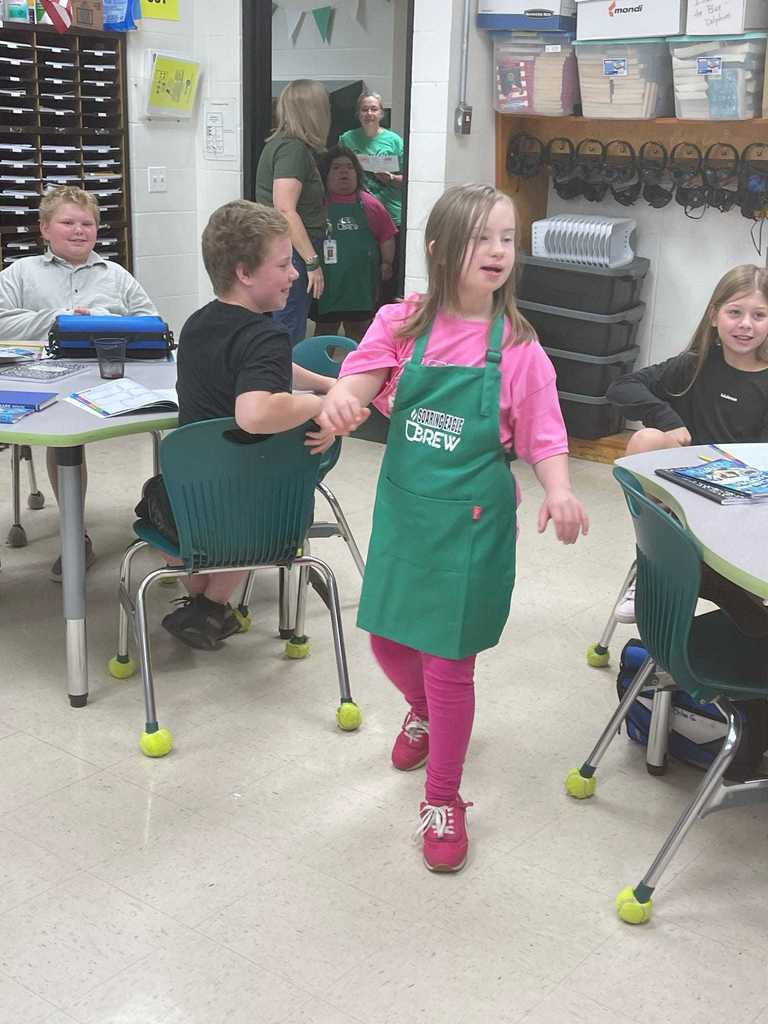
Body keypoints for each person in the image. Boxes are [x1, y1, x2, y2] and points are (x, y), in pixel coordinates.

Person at [319, 184, 589, 872]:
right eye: (480, 237)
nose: (498, 250)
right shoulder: (402, 322)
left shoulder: (519, 349)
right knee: (386, 639)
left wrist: (559, 490)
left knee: (447, 661)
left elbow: (545, 433)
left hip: (472, 525)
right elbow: (360, 377)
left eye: (507, 238)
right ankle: (421, 710)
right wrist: (344, 402)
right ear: (440, 250)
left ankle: (443, 798)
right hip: (407, 514)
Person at [135, 200, 338, 651]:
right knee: (258, 487)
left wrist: (323, 383)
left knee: (156, 501)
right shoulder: (267, 335)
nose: (294, 274)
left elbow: (266, 367)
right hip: (258, 517)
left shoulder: (197, 325)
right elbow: (255, 412)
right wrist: (317, 403)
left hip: (188, 507)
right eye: (283, 265)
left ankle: (203, 602)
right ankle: (211, 606)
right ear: (245, 273)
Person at [0, 185, 157, 581]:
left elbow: (151, 323)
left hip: (106, 378)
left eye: (87, 223)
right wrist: (62, 319)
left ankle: (164, 519)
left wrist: (105, 322)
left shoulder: (116, 276)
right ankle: (76, 537)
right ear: (44, 229)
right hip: (40, 381)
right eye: (67, 222)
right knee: (63, 438)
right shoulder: (21, 273)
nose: (79, 230)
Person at [607, 264, 768, 629]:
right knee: (646, 439)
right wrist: (668, 420)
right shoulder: (693, 365)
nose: (746, 324)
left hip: (744, 500)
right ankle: (650, 564)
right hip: (682, 495)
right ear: (714, 316)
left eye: (759, 315)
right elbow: (621, 387)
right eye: (735, 312)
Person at [254, 79, 330, 346]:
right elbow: (285, 209)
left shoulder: (286, 145)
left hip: (289, 247)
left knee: (288, 322)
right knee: (289, 327)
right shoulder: (292, 148)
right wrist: (312, 262)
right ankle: (282, 373)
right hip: (294, 250)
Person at [314, 145, 397, 342]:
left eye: (349, 167)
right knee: (325, 333)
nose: (344, 172)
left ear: (357, 173)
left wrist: (387, 263)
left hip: (360, 286)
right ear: (326, 175)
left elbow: (387, 235)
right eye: (336, 168)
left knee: (360, 334)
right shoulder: (317, 204)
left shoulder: (370, 203)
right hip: (328, 285)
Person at [339, 92, 404, 302]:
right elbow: (336, 170)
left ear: (381, 113)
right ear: (358, 113)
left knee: (388, 272)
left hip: (390, 212)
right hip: (357, 213)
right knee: (358, 266)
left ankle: (385, 313)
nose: (369, 113)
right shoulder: (347, 139)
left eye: (374, 109)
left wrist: (391, 178)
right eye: (364, 109)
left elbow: (411, 179)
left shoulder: (395, 141)